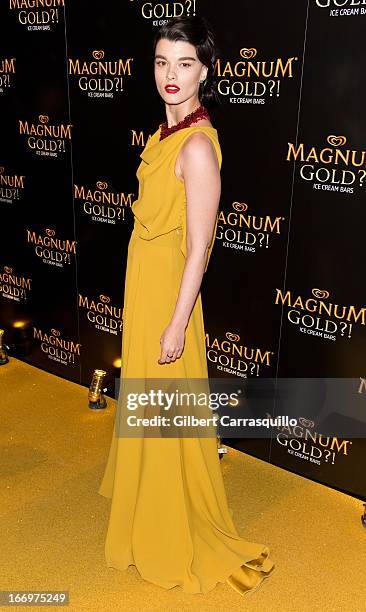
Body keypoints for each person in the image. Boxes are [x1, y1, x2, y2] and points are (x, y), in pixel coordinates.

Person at [98, 15, 275, 596]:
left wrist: (176, 323)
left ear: (206, 71)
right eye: (161, 62)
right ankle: (146, 509)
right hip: (144, 284)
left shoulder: (197, 147)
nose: (171, 75)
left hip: (170, 296)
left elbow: (201, 247)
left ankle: (173, 526)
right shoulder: (164, 132)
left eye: (184, 63)